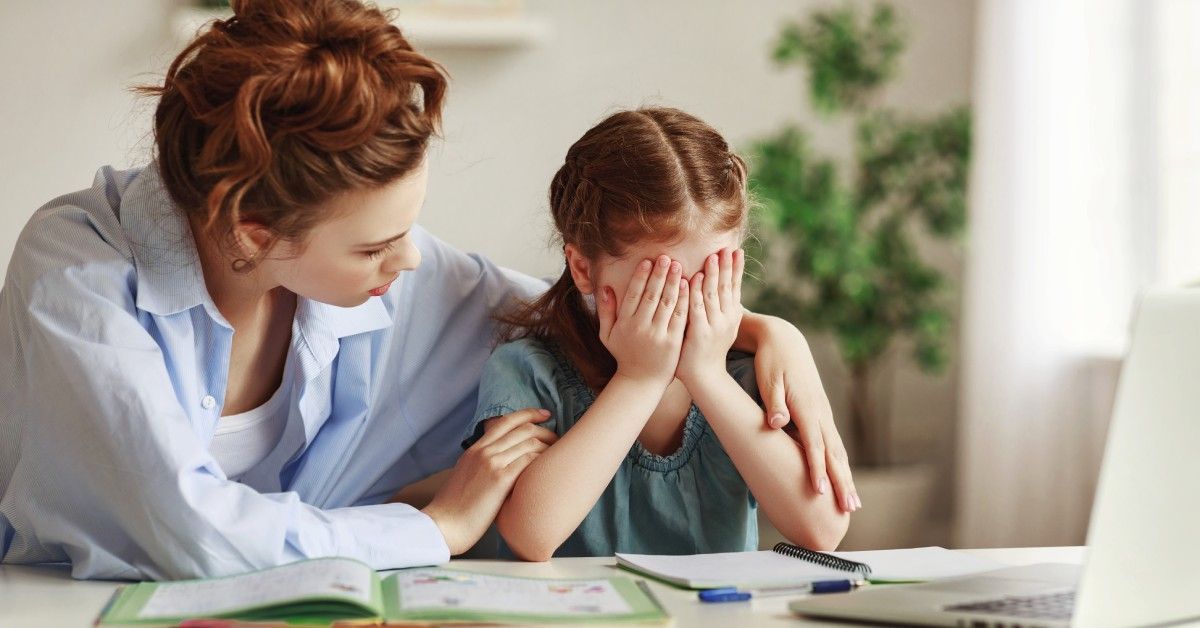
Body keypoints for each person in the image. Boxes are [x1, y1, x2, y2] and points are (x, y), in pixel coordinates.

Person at [0, 0, 858, 581]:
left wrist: (762, 332)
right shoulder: (78, 276)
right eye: (376, 243)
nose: (410, 262)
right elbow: (187, 529)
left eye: (410, 226)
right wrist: (436, 529)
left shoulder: (384, 275)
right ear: (253, 232)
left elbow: (585, 308)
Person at [469, 108, 850, 561]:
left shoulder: (750, 373)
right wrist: (639, 380)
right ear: (583, 269)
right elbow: (531, 535)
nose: (687, 306)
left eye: (711, 278)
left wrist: (707, 375)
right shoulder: (526, 371)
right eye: (660, 285)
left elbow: (823, 529)